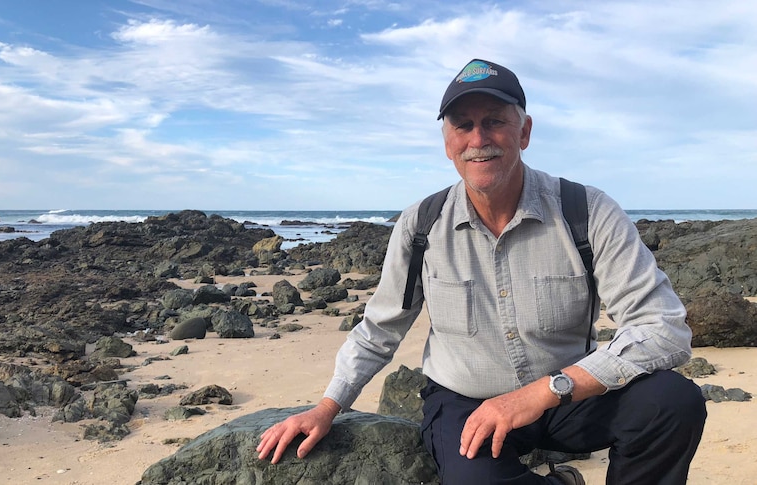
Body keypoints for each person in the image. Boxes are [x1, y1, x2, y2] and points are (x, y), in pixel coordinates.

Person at [256, 59, 707, 484]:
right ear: (447, 140)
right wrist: (327, 407)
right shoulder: (421, 225)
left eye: (494, 120)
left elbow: (663, 329)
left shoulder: (586, 212)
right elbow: (379, 330)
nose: (478, 138)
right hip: (463, 401)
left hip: (565, 396)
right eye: (463, 125)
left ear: (524, 131)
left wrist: (544, 392)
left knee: (672, 402)